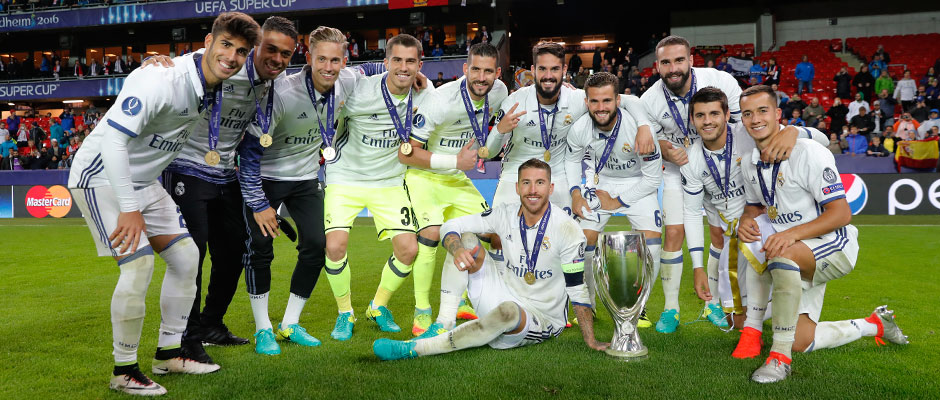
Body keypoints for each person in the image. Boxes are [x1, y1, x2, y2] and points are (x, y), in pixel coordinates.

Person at [66, 12, 259, 396]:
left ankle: (170, 353)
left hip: (142, 181)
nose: (232, 57)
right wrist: (129, 207)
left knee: (187, 258)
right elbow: (114, 142)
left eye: (241, 51)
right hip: (101, 176)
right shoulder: (161, 78)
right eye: (226, 45)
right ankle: (124, 371)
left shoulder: (209, 79)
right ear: (209, 41)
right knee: (138, 267)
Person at [734, 84, 908, 383]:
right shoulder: (750, 163)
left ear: (777, 114)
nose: (755, 119)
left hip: (833, 244)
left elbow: (841, 214)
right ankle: (875, 325)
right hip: (796, 251)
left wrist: (791, 234)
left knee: (779, 252)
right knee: (801, 340)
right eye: (748, 113)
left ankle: (778, 359)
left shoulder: (808, 152)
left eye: (763, 111)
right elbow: (754, 206)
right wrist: (746, 220)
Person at [148, 16, 296, 362]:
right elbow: (180, 67)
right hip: (184, 166)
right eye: (270, 49)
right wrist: (152, 64)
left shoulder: (271, 84)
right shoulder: (227, 63)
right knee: (192, 256)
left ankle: (211, 324)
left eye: (286, 54)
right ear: (255, 47)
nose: (277, 59)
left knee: (232, 252)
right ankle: (185, 337)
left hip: (226, 172)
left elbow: (336, 73)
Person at [236, 26, 388, 354]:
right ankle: (263, 328)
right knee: (260, 248)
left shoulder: (349, 78)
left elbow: (375, 66)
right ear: (309, 57)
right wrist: (259, 204)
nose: (329, 67)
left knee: (318, 244)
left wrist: (416, 76)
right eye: (322, 59)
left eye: (335, 60)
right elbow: (248, 154)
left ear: (344, 60)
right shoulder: (282, 93)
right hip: (266, 177)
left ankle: (290, 323)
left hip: (305, 179)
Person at [372, 159, 605, 360]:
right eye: (526, 183)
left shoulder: (567, 229)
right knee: (466, 240)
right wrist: (456, 249)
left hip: (542, 318)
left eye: (540, 183)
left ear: (551, 188)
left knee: (508, 312)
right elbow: (451, 225)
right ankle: (443, 323)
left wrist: (591, 339)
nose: (533, 190)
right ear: (517, 187)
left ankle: (418, 348)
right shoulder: (504, 213)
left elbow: (577, 289)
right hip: (503, 294)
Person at [320, 34, 435, 340]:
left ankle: (378, 306)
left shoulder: (426, 95)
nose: (403, 67)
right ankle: (345, 313)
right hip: (346, 176)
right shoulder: (359, 89)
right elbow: (333, 77)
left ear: (420, 65)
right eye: (397, 60)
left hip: (389, 181)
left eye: (410, 61)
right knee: (335, 246)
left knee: (409, 250)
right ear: (385, 63)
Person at [639, 35, 746, 333]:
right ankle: (671, 309)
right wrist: (663, 147)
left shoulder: (721, 81)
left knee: (719, 235)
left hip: (720, 166)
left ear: (691, 60)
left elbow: (743, 127)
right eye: (665, 62)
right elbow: (650, 140)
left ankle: (712, 304)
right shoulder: (649, 100)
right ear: (657, 66)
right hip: (677, 170)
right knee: (674, 233)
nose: (673, 68)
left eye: (678, 60)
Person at [405, 42, 509, 337]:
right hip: (425, 175)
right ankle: (422, 310)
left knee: (490, 234)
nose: (481, 77)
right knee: (431, 234)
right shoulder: (440, 100)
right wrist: (454, 161)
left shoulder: (500, 92)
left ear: (497, 73)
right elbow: (408, 152)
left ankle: (466, 299)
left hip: (457, 178)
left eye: (488, 71)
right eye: (475, 69)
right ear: (465, 69)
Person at [487, 42, 652, 218]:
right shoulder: (515, 102)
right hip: (516, 174)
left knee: (571, 231)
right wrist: (499, 130)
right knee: (499, 231)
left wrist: (644, 125)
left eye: (554, 69)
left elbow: (628, 100)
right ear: (533, 70)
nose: (548, 76)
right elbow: (489, 152)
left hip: (557, 175)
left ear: (564, 70)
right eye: (542, 69)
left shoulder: (576, 99)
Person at [565, 72, 663, 320]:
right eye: (595, 101)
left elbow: (653, 180)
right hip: (602, 183)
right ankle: (588, 304)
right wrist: (576, 193)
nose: (601, 108)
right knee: (583, 240)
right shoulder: (580, 128)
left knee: (652, 242)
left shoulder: (641, 129)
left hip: (638, 184)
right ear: (586, 102)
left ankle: (638, 308)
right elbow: (572, 160)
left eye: (607, 100)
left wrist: (616, 202)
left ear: (618, 100)